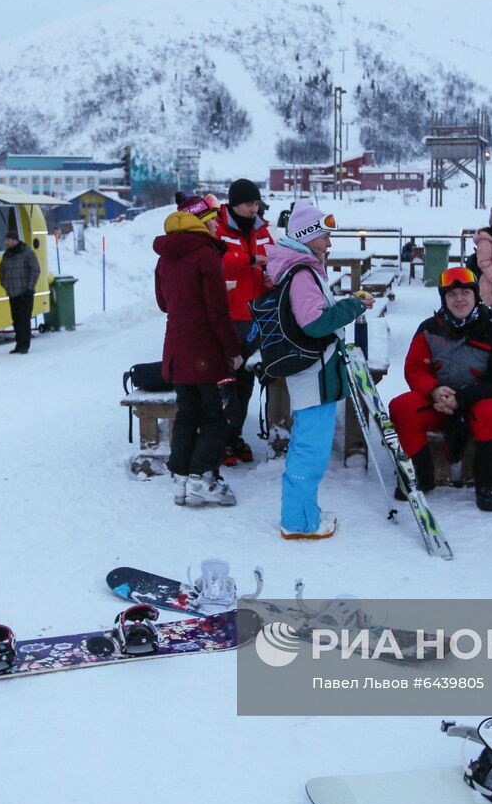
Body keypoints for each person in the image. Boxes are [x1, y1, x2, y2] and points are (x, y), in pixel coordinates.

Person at [263, 202, 371, 539]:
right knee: (311, 450)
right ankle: (299, 522)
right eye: (325, 235)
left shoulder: (303, 270)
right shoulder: (303, 274)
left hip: (314, 371)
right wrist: (353, 306)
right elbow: (314, 324)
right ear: (309, 235)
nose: (328, 243)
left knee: (306, 446)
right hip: (315, 374)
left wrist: (344, 305)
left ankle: (303, 511)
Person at [388, 267, 492, 512]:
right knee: (402, 406)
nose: (459, 299)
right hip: (438, 402)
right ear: (443, 299)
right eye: (452, 294)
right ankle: (419, 474)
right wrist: (434, 390)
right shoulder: (430, 328)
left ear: (475, 295)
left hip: (475, 402)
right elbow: (414, 368)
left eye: (465, 293)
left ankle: (487, 484)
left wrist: (463, 397)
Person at [153, 193, 244, 507]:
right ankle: (201, 476)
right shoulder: (206, 256)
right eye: (213, 223)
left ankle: (180, 480)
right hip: (205, 349)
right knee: (217, 417)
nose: (218, 229)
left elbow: (164, 303)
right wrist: (234, 351)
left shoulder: (165, 257)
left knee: (187, 414)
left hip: (176, 348)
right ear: (201, 225)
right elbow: (217, 313)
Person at [214, 177, 274, 466]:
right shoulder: (217, 227)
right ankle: (221, 437)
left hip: (256, 315)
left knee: (246, 380)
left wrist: (271, 275)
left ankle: (234, 435)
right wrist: (249, 260)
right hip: (227, 316)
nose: (254, 208)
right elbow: (216, 261)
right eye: (249, 204)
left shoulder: (262, 229)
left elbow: (273, 257)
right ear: (235, 203)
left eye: (256, 203)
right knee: (225, 379)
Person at [0, 230, 41, 354]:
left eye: (8, 240)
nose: (6, 242)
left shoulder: (27, 253)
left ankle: (24, 345)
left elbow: (35, 270)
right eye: (6, 240)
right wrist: (6, 285)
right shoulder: (6, 255)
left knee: (24, 319)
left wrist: (30, 287)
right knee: (16, 320)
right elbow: (1, 271)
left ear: (15, 240)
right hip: (12, 293)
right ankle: (18, 344)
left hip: (25, 293)